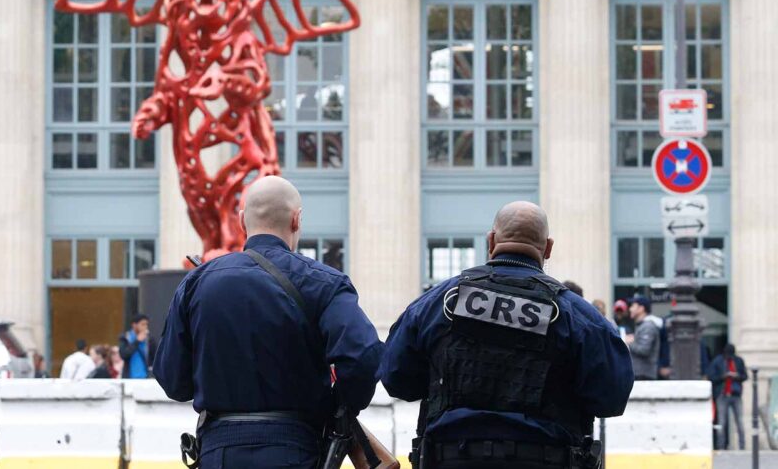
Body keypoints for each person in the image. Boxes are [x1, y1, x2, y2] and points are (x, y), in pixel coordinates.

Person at [380, 201, 634, 469]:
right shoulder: (578, 317)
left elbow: (397, 380)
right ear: (547, 248)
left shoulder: (436, 303)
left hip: (452, 458)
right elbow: (611, 399)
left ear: (490, 241)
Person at [154, 176, 384, 469]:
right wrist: (337, 408)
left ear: (241, 221)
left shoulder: (196, 283)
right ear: (296, 220)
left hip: (218, 451)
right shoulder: (324, 283)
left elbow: (172, 380)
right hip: (296, 448)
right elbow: (363, 358)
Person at [707, 343, 748, 450]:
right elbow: (712, 377)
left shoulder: (738, 361)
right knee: (722, 422)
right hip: (722, 394)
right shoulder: (718, 361)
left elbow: (745, 376)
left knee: (739, 421)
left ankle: (742, 446)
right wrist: (723, 376)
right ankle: (721, 446)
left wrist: (736, 376)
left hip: (735, 394)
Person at [626, 295, 660, 381]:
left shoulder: (648, 326)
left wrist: (630, 342)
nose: (630, 309)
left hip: (644, 375)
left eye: (633, 306)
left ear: (641, 308)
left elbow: (644, 350)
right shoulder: (642, 326)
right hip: (641, 374)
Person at [119, 314, 158, 379]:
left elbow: (155, 358)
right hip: (129, 378)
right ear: (134, 325)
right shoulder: (125, 337)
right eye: (142, 324)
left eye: (146, 324)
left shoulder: (149, 339)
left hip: (145, 377)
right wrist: (137, 341)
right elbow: (123, 354)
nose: (145, 327)